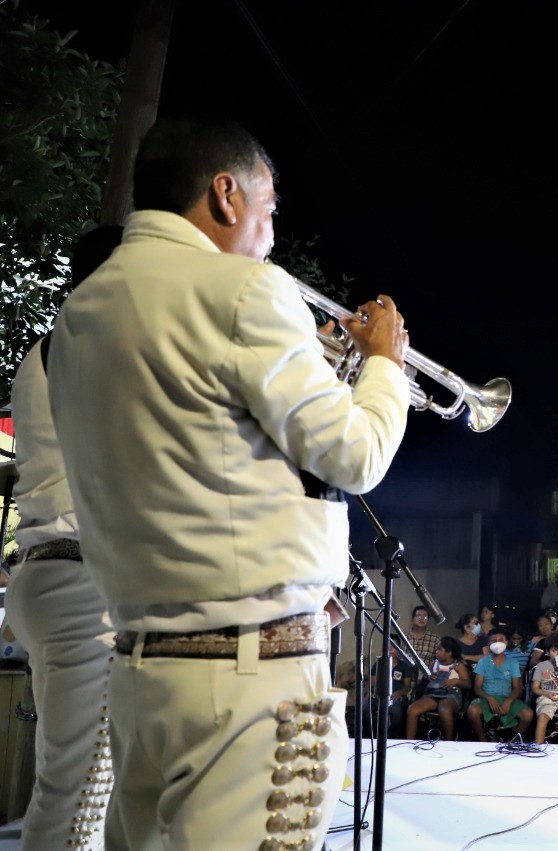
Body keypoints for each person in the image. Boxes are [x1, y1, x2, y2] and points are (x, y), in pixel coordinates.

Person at [46, 114, 411, 850]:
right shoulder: (246, 289)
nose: (271, 233)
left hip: (143, 673)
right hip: (252, 683)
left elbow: (197, 447)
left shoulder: (81, 312)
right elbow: (356, 455)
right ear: (226, 194)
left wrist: (311, 359)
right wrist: (384, 366)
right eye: (268, 208)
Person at [3, 225, 121, 851]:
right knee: (79, 806)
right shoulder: (97, 341)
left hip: (54, 574)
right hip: (84, 588)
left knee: (67, 793)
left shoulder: (52, 346)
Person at [465, 627, 533, 740]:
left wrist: (508, 701)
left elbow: (517, 688)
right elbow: (477, 688)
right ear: (488, 643)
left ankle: (514, 741)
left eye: (500, 640)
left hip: (507, 698)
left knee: (528, 714)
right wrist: (489, 698)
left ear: (506, 642)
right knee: (472, 711)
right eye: (494, 640)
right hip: (486, 698)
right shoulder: (483, 662)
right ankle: (482, 740)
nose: (497, 643)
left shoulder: (513, 663)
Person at [404, 636, 470, 741]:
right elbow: (426, 680)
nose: (436, 652)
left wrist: (456, 681)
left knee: (444, 710)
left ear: (449, 653)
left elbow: (468, 684)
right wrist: (428, 676)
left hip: (450, 695)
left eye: (439, 649)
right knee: (412, 709)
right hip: (432, 694)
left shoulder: (459, 666)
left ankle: (448, 741)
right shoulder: (434, 664)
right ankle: (410, 741)